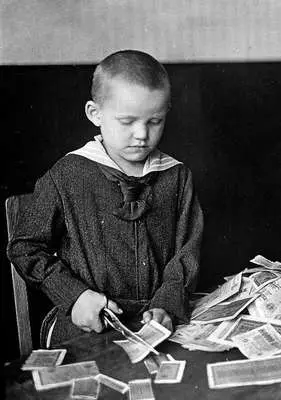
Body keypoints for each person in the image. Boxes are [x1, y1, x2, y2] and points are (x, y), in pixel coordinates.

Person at [7, 50, 203, 347]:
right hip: (87, 320)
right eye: (127, 121)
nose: (142, 134)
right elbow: (25, 247)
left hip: (157, 317)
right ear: (94, 113)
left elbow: (187, 250)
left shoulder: (177, 176)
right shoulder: (67, 174)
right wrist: (74, 296)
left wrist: (167, 302)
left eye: (155, 121)